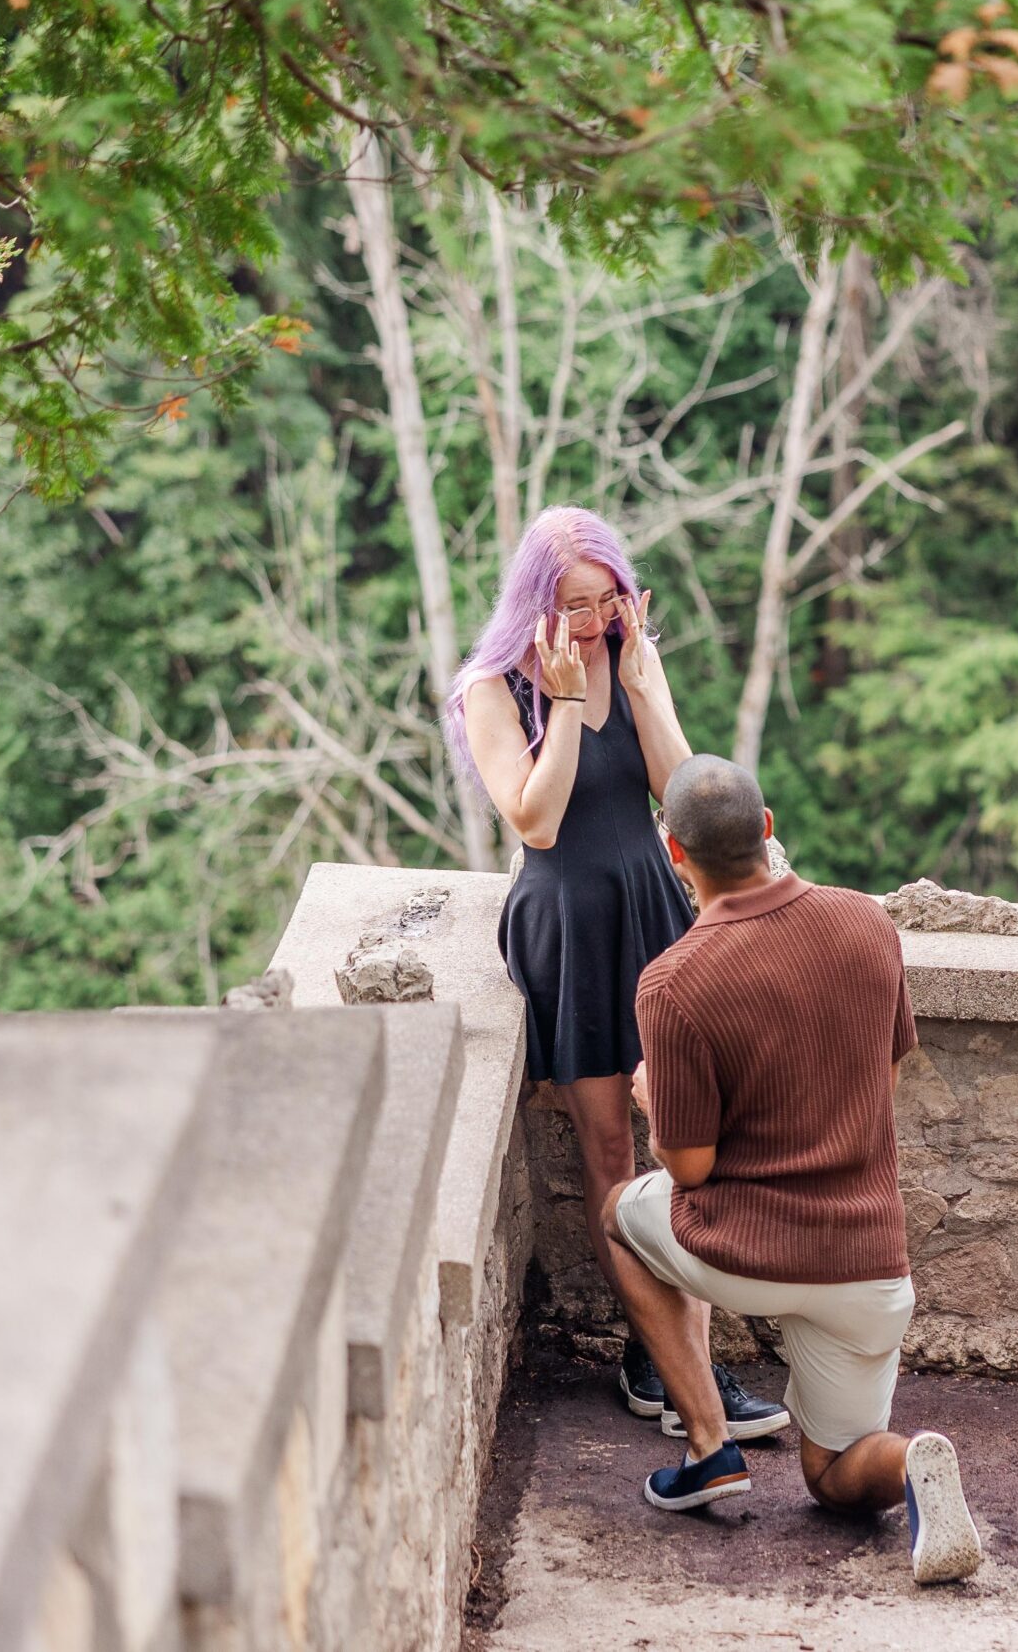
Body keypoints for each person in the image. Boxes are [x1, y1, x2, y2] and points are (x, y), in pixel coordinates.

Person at [601, 754, 985, 1587]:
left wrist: (655, 1102)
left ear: (674, 852)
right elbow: (881, 1081)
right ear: (768, 827)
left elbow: (690, 1165)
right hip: (867, 1262)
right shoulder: (867, 923)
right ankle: (910, 1460)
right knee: (838, 1472)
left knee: (618, 1215)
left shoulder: (673, 982)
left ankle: (708, 1445)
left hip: (746, 1253)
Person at [448, 508, 787, 1441]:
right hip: (569, 923)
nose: (594, 620)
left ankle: (688, 1366)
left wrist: (642, 684)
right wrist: (563, 706)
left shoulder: (626, 651)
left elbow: (681, 793)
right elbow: (537, 820)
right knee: (608, 1153)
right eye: (574, 605)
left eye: (609, 600)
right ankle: (662, 1364)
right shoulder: (492, 689)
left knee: (689, 1133)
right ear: (533, 604)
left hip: (651, 907)